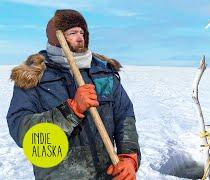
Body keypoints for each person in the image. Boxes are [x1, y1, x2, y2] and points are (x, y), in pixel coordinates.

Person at [6, 9, 140, 179]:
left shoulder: (102, 73)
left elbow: (124, 116)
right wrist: (71, 110)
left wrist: (129, 157)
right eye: (72, 33)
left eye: (82, 32)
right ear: (56, 38)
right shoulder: (33, 77)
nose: (80, 38)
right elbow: (20, 129)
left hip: (107, 174)